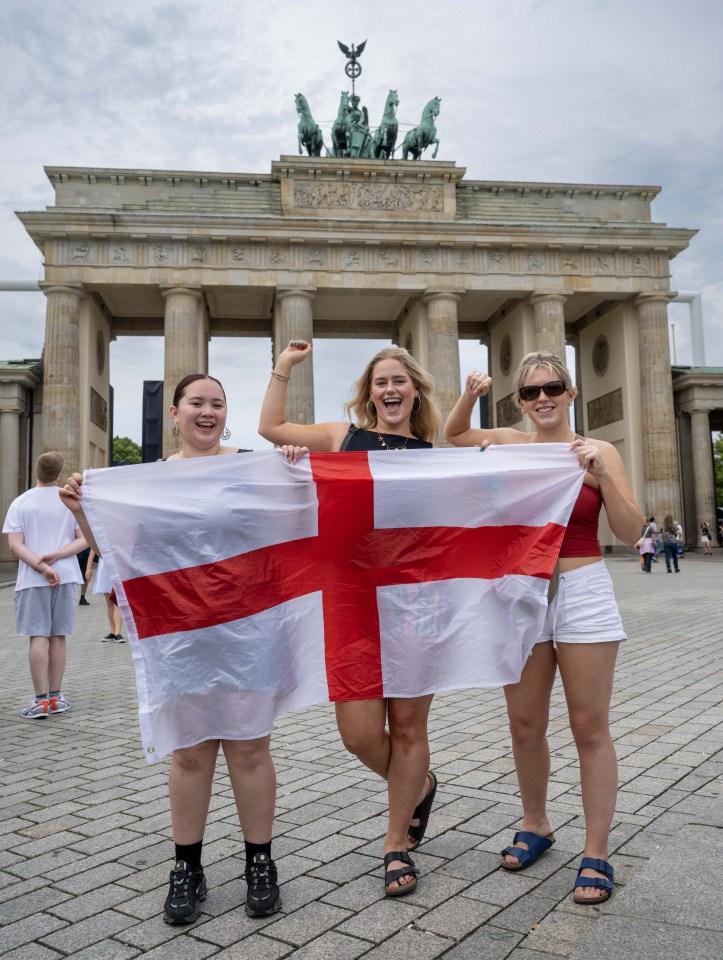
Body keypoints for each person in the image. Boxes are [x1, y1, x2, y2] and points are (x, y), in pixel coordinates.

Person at [60, 374, 304, 926]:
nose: (208, 412)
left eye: (218, 403)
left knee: (248, 749)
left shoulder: (253, 466)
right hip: (183, 635)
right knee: (191, 752)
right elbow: (119, 552)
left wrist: (291, 461)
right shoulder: (146, 482)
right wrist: (82, 511)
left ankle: (259, 864)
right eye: (197, 403)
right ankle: (186, 868)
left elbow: (303, 516)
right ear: (175, 413)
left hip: (250, 632)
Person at [444, 351, 642, 905]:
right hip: (521, 593)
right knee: (525, 724)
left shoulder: (598, 451)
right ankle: (537, 823)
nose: (542, 399)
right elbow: (454, 433)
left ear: (571, 393)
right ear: (521, 402)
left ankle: (597, 851)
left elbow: (630, 531)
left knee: (589, 727)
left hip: (583, 590)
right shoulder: (511, 444)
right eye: (530, 393)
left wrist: (603, 477)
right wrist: (471, 392)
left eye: (552, 388)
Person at [259, 340, 440, 898]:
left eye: (399, 382)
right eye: (381, 382)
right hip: (351, 600)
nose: (390, 390)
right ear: (370, 393)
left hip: (414, 601)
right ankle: (420, 785)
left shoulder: (437, 454)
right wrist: (284, 368)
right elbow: (272, 428)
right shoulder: (342, 438)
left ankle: (395, 844)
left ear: (415, 391)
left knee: (408, 727)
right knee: (359, 734)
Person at [3, 452, 86, 719]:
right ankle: (56, 697)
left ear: (35, 472)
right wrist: (58, 556)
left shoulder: (21, 502)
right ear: (59, 474)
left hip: (32, 579)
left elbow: (15, 544)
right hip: (68, 575)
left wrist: (42, 566)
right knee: (58, 636)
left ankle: (40, 701)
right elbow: (83, 539)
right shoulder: (70, 501)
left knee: (38, 636)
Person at [92, 553, 125, 641]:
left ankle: (118, 632)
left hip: (118, 563)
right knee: (109, 601)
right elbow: (92, 549)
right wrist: (88, 568)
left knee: (117, 600)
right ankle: (113, 632)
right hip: (104, 565)